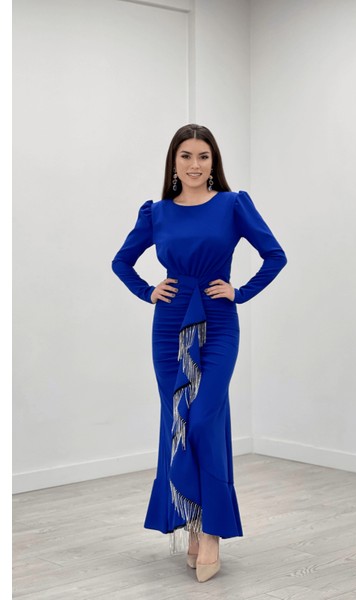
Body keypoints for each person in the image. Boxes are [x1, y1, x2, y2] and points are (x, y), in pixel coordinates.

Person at [111, 123, 287, 582]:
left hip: (218, 320)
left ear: (214, 163)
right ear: (174, 162)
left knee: (206, 416)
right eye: (186, 156)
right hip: (170, 324)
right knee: (178, 420)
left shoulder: (233, 204)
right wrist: (148, 291)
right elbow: (121, 261)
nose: (194, 164)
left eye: (203, 156)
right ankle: (192, 522)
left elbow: (275, 255)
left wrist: (240, 292)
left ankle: (211, 532)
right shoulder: (156, 212)